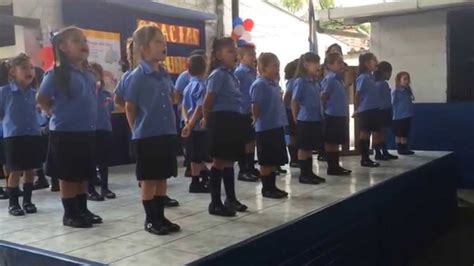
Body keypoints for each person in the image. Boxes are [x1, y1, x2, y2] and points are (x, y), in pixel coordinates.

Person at [37, 26, 102, 228]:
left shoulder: (88, 73)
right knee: (68, 175)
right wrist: (51, 112)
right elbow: (42, 97)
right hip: (65, 133)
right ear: (63, 47)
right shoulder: (56, 74)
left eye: (85, 40)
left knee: (83, 173)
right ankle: (70, 213)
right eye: (77, 41)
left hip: (86, 131)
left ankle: (82, 209)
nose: (84, 44)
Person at [124, 25, 181, 235]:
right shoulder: (137, 76)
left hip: (166, 132)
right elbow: (129, 105)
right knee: (149, 178)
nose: (164, 45)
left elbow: (171, 97)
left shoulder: (164, 74)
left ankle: (160, 216)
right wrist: (135, 130)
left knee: (162, 176)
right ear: (144, 48)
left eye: (164, 41)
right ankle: (150, 219)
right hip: (147, 135)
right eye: (158, 42)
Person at [203, 37, 248, 217]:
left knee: (229, 159)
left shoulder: (231, 74)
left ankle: (231, 198)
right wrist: (207, 121)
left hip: (232, 120)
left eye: (235, 50)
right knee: (220, 161)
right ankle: (215, 203)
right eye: (230, 51)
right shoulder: (219, 75)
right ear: (219, 55)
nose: (235, 54)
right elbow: (207, 102)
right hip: (220, 121)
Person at [0, 53, 43, 216]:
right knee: (15, 170)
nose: (30, 71)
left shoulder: (34, 93)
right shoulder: (4, 92)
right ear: (12, 72)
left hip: (32, 134)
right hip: (14, 136)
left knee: (30, 170)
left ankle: (28, 200)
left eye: (31, 67)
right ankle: (13, 203)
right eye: (24, 67)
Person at [250, 52, 289, 198]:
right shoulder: (259, 84)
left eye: (278, 66)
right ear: (263, 68)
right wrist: (255, 119)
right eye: (274, 66)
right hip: (265, 127)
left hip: (276, 125)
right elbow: (256, 105)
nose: (277, 70)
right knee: (266, 160)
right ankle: (266, 188)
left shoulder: (273, 84)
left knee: (273, 159)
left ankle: (273, 186)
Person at [291, 53, 326, 185]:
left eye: (318, 62)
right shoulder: (301, 81)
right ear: (306, 65)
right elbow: (295, 101)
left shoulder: (315, 82)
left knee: (310, 147)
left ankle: (310, 173)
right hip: (304, 119)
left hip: (315, 118)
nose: (318, 66)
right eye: (315, 63)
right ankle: (304, 174)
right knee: (304, 147)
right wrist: (296, 118)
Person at [181, 55, 210, 193]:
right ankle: (195, 182)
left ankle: (204, 177)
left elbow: (184, 107)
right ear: (205, 68)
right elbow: (200, 107)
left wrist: (186, 121)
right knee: (197, 157)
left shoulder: (188, 86)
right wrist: (191, 125)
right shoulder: (202, 85)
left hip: (189, 125)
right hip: (197, 127)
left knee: (195, 155)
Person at [320, 53, 352, 176]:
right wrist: (323, 111)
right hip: (332, 115)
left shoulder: (338, 79)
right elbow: (323, 96)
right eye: (338, 62)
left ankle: (336, 165)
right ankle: (332, 167)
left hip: (339, 115)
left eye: (342, 62)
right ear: (329, 65)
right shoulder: (330, 79)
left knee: (336, 142)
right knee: (331, 142)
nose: (341, 65)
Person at [88, 63, 116, 201]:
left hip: (104, 129)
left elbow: (110, 110)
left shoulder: (106, 94)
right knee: (90, 161)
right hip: (90, 130)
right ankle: (91, 189)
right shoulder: (86, 93)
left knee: (104, 161)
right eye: (91, 73)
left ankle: (105, 187)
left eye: (96, 73)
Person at [234, 44, 259, 182]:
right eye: (250, 55)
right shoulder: (239, 73)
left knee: (251, 141)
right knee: (244, 141)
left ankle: (250, 166)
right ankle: (243, 169)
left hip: (251, 111)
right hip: (242, 111)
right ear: (241, 57)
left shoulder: (252, 72)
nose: (253, 58)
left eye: (254, 55)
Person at [355, 53, 383, 167]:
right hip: (365, 110)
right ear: (366, 63)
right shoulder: (363, 77)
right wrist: (358, 108)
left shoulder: (371, 77)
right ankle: (364, 158)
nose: (376, 62)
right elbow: (358, 94)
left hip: (373, 109)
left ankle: (367, 158)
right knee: (365, 133)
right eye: (374, 60)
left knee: (369, 132)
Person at [374, 61, 398, 160]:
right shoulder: (379, 84)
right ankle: (378, 153)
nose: (390, 75)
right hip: (380, 111)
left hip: (384, 110)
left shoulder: (383, 84)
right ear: (384, 72)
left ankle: (384, 151)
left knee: (382, 133)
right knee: (377, 133)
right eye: (389, 72)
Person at [392, 71, 415, 155]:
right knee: (399, 134)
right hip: (398, 116)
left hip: (407, 115)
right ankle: (400, 149)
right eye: (405, 79)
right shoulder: (396, 92)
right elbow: (392, 103)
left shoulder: (407, 91)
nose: (407, 81)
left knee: (404, 133)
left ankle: (404, 148)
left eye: (408, 79)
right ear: (399, 80)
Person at [283, 59, 299, 168]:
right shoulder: (293, 81)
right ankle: (293, 159)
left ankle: (296, 158)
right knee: (293, 135)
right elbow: (287, 97)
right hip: (290, 110)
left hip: (294, 110)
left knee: (296, 135)